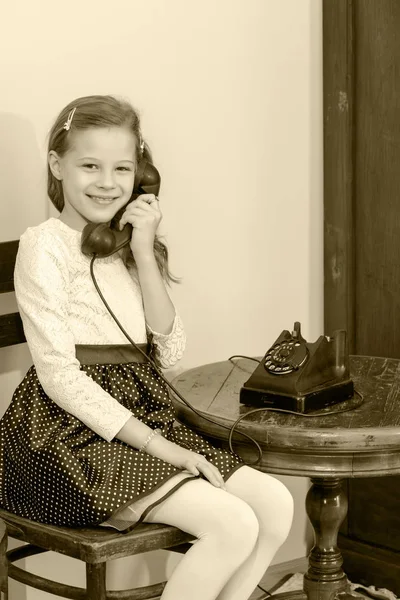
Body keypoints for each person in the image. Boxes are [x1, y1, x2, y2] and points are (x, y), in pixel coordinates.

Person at [0, 95, 294, 600]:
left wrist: (142, 249)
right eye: (89, 165)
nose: (106, 182)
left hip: (144, 414)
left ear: (142, 177)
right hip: (69, 433)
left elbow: (171, 352)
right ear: (57, 165)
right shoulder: (42, 245)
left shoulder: (128, 246)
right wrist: (166, 448)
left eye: (122, 168)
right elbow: (59, 377)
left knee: (274, 505)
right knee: (232, 526)